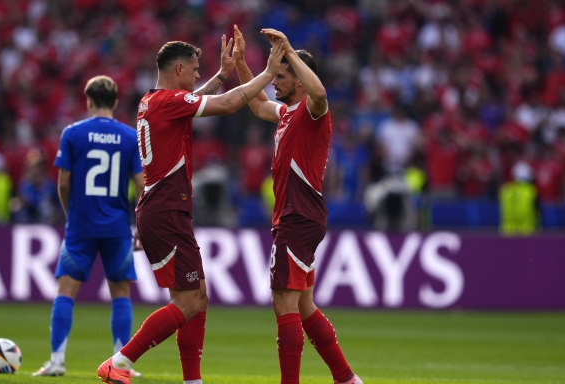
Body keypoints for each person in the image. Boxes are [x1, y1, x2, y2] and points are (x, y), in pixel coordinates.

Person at [97, 35, 286, 384]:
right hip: (166, 210)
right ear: (179, 68)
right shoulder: (167, 102)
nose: (199, 76)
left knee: (198, 295)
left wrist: (223, 72)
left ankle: (192, 380)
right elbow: (227, 104)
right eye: (196, 70)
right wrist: (267, 73)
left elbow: (198, 97)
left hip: (166, 209)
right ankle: (119, 362)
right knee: (187, 302)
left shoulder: (153, 101)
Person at [233, 26, 363, 384]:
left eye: (283, 75)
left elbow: (320, 92)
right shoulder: (287, 113)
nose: (275, 80)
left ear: (301, 81)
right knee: (304, 306)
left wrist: (289, 51)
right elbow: (257, 104)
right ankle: (346, 378)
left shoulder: (312, 111)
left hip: (298, 216)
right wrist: (242, 63)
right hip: (299, 217)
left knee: (283, 303)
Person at [33, 76, 144, 377]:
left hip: (80, 227)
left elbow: (64, 183)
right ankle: (123, 365)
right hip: (117, 227)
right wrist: (139, 222)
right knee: (120, 293)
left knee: (65, 292)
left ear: (88, 101)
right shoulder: (128, 136)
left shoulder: (73, 134)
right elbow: (141, 184)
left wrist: (71, 214)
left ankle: (56, 361)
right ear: (116, 102)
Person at [499, 161, 540, 235]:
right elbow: (538, 212)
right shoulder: (531, 190)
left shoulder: (505, 190)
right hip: (527, 232)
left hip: (508, 232)